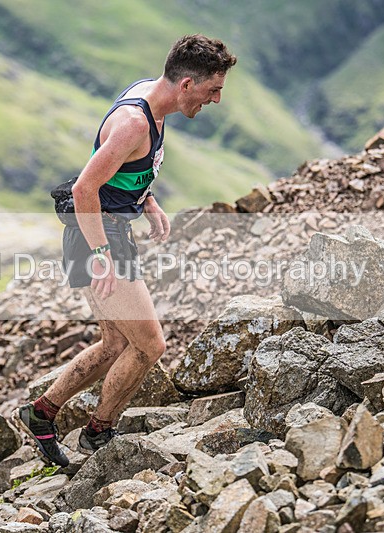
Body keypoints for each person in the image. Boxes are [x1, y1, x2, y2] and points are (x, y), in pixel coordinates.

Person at [18, 34, 237, 466]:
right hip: (99, 234)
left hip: (107, 228)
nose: (215, 100)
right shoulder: (136, 122)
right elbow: (85, 189)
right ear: (187, 84)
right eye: (213, 90)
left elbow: (126, 168)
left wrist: (148, 201)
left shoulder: (153, 97)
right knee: (151, 345)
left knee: (115, 343)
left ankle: (41, 413)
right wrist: (101, 256)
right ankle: (99, 434)